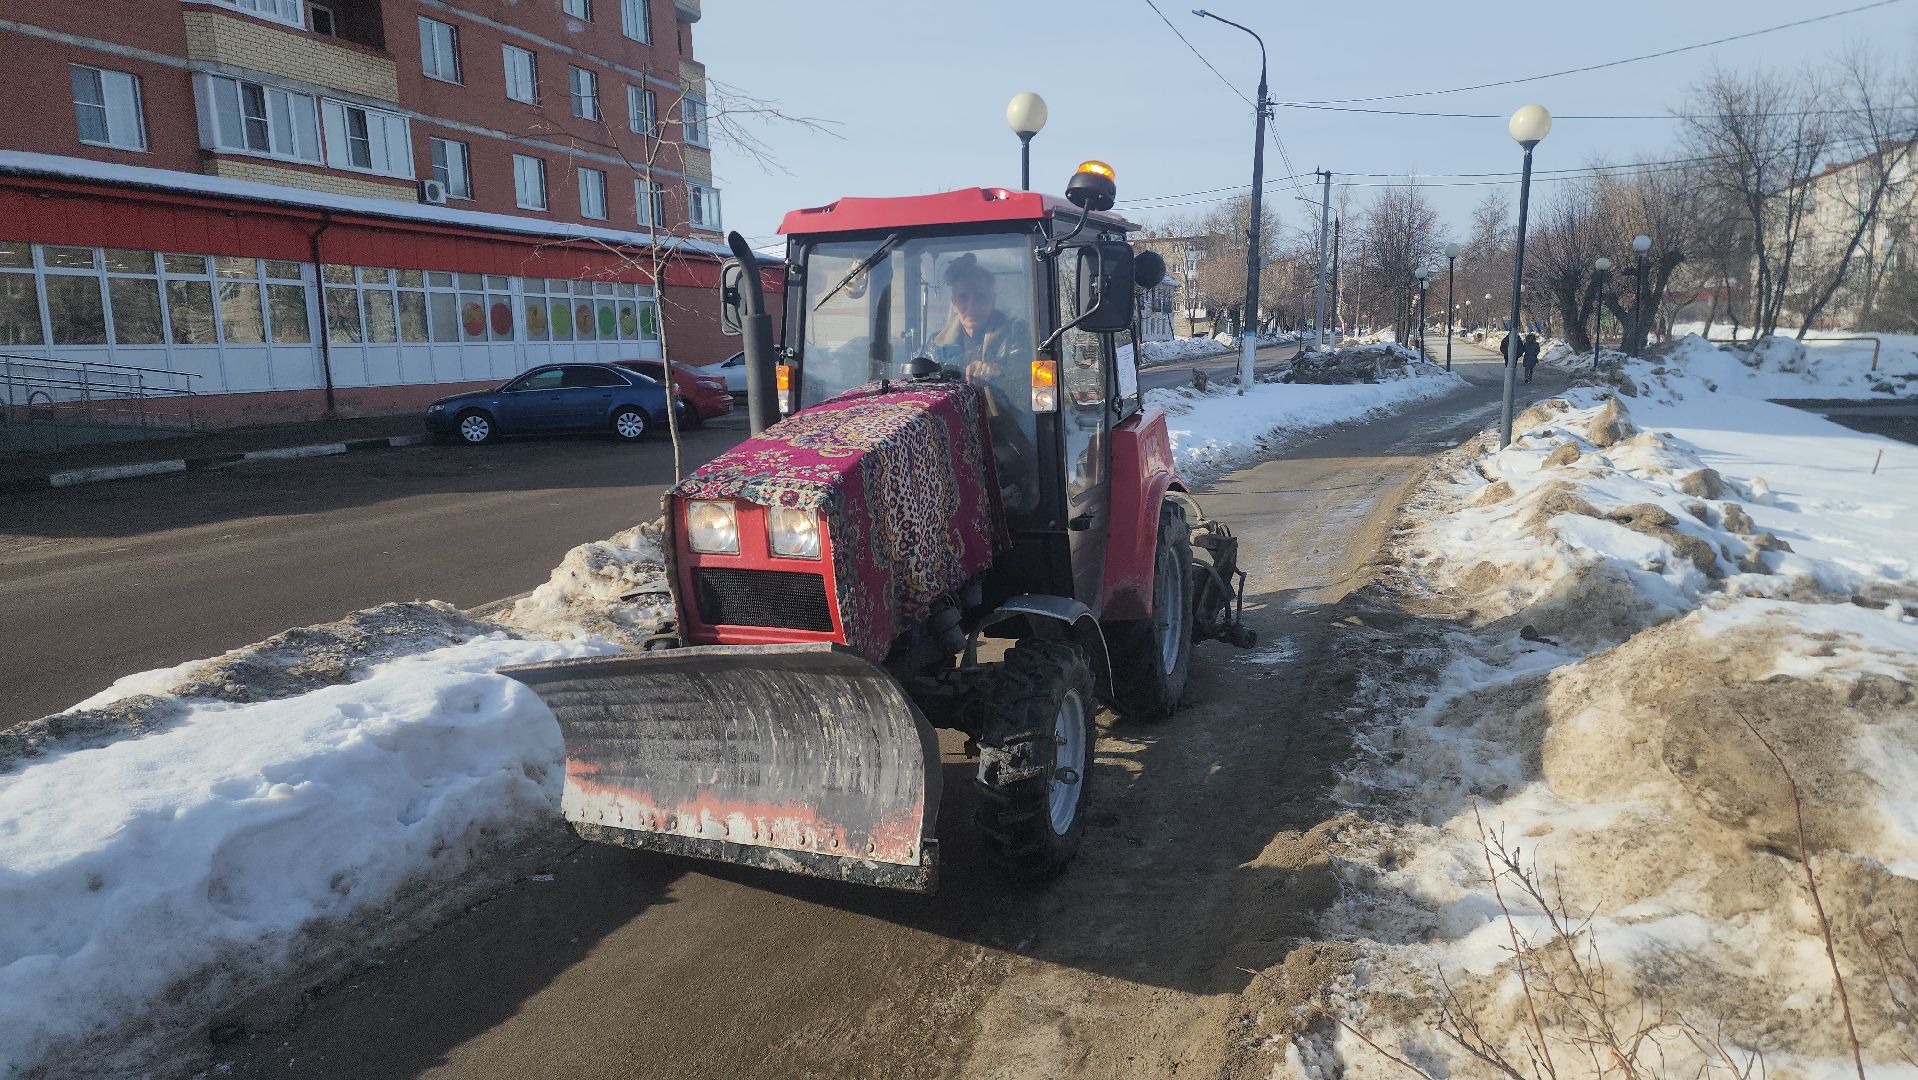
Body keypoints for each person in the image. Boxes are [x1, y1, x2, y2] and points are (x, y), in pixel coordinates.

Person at [930, 254, 1036, 510]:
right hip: (951, 433)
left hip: (1006, 428)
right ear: (954, 302)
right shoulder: (937, 344)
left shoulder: (1014, 333)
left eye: (979, 297)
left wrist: (998, 373)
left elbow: (1027, 378)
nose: (971, 305)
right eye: (963, 297)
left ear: (993, 299)